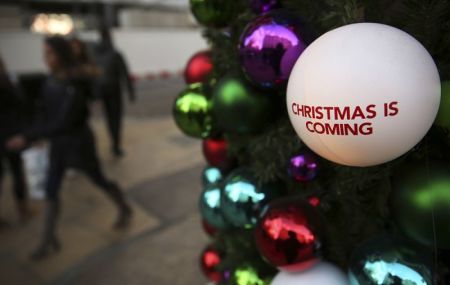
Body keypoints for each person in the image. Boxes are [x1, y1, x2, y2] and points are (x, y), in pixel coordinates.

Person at [6, 36, 132, 260]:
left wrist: (28, 137)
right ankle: (48, 240)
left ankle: (123, 207)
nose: (46, 59)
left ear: (61, 54)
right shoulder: (51, 80)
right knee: (51, 191)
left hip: (79, 144)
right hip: (59, 145)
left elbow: (65, 120)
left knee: (98, 179)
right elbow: (43, 112)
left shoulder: (74, 81)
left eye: (50, 53)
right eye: (45, 54)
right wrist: (32, 134)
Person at [94, 26, 135, 157]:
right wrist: (130, 92)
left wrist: (96, 94)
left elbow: (94, 75)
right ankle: (116, 145)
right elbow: (125, 73)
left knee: (109, 119)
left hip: (103, 91)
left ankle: (113, 141)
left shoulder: (96, 54)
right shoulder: (115, 54)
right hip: (114, 91)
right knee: (116, 118)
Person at [0, 56, 30, 223]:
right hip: (10, 134)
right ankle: (23, 209)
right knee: (17, 171)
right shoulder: (7, 81)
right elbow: (20, 102)